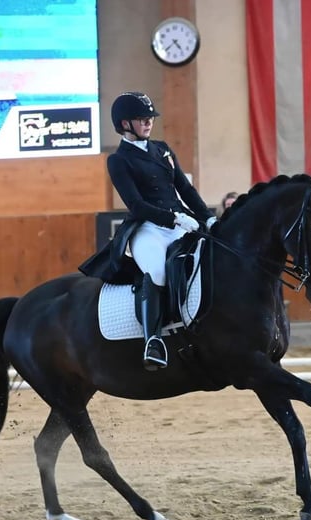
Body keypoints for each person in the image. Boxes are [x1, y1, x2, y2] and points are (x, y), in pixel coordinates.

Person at [82, 91, 216, 371]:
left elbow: (185, 189)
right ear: (124, 124)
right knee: (156, 271)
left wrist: (208, 218)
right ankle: (153, 340)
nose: (148, 123)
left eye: (149, 119)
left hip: (182, 223)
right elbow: (136, 204)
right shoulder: (118, 160)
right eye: (141, 119)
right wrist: (175, 219)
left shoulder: (163, 149)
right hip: (149, 229)